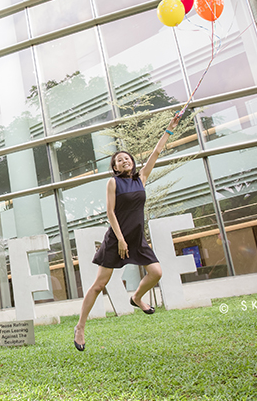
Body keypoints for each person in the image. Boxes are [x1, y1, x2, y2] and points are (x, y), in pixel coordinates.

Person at [73, 115, 181, 351]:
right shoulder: (113, 183)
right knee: (99, 285)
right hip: (116, 239)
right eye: (119, 160)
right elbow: (110, 213)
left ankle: (136, 298)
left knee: (156, 273)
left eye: (127, 159)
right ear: (114, 167)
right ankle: (80, 326)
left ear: (132, 162)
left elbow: (155, 153)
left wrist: (169, 129)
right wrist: (120, 239)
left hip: (136, 238)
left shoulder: (141, 179)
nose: (124, 161)